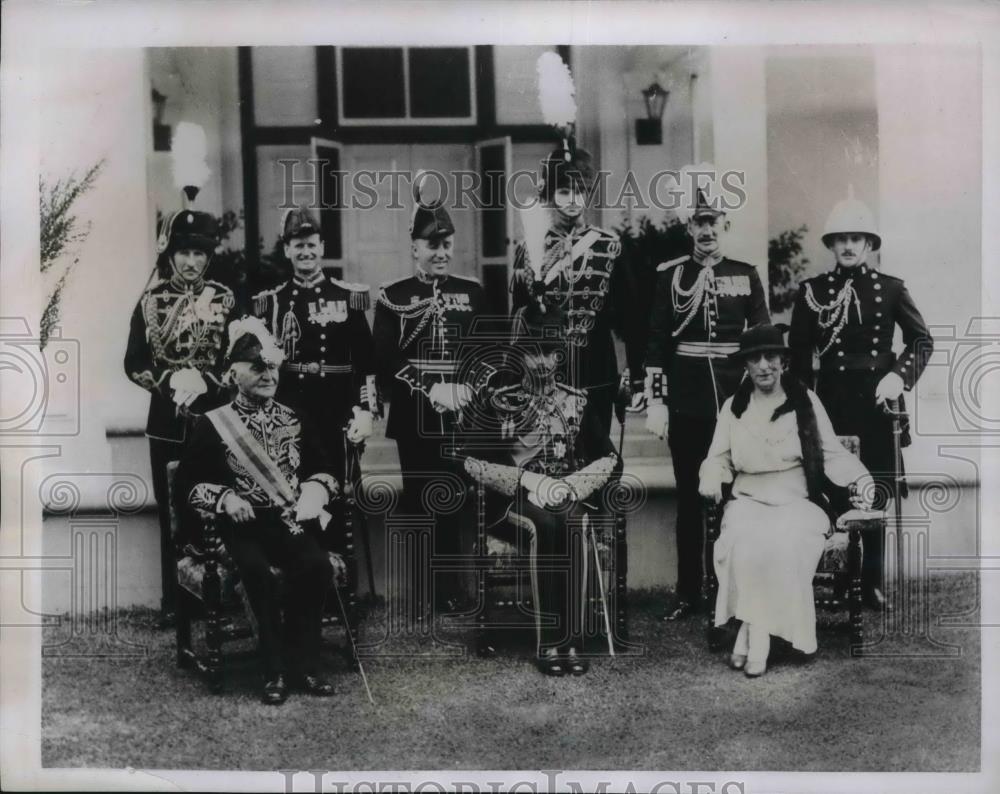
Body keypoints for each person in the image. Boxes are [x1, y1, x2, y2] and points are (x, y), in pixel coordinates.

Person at [178, 318, 340, 704]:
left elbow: (323, 466)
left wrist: (317, 487)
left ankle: (305, 666)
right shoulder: (212, 424)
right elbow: (186, 485)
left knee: (316, 566)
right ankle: (274, 672)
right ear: (234, 374)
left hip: (287, 521)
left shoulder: (294, 417)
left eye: (271, 367)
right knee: (256, 572)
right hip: (239, 526)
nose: (268, 375)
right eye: (257, 367)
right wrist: (225, 499)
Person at [699, 324, 873, 677]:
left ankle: (752, 637)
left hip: (798, 502)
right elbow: (717, 457)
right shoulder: (734, 407)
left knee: (786, 542)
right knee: (746, 544)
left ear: (783, 360)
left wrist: (861, 478)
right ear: (745, 365)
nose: (764, 365)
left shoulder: (804, 401)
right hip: (748, 501)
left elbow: (832, 453)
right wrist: (710, 478)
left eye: (771, 356)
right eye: (755, 359)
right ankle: (759, 635)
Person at [788, 190, 933, 608]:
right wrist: (802, 407)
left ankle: (870, 582)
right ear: (832, 246)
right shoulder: (813, 292)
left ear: (869, 245)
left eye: (857, 238)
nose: (849, 245)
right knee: (834, 487)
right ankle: (838, 576)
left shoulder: (890, 290)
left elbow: (922, 341)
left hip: (878, 405)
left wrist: (898, 378)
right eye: (841, 238)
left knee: (878, 489)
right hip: (830, 405)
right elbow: (799, 357)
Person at [462, 301, 622, 676]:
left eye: (550, 352)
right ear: (521, 355)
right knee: (545, 525)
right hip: (513, 503)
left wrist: (570, 486)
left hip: (565, 495)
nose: (544, 363)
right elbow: (471, 462)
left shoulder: (577, 401)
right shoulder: (500, 402)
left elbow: (608, 459)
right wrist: (528, 480)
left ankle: (573, 641)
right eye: (535, 353)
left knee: (572, 522)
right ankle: (550, 641)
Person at [643, 180, 770, 621]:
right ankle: (687, 593)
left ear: (726, 224)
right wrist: (656, 401)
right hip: (688, 400)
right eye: (699, 222)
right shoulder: (671, 275)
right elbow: (656, 341)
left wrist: (763, 400)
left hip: (738, 401)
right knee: (689, 498)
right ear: (688, 227)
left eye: (713, 221)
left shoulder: (746, 273)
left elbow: (761, 343)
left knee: (739, 495)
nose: (706, 231)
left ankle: (734, 591)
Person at [372, 187, 490, 618]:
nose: (441, 253)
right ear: (414, 248)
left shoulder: (472, 292)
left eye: (447, 245)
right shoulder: (393, 295)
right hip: (415, 413)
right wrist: (429, 388)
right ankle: (425, 592)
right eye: (432, 245)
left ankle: (456, 589)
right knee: (422, 499)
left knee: (456, 499)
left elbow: (486, 351)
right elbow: (386, 358)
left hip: (463, 412)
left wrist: (468, 388)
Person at [124, 209, 236, 625]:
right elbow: (134, 361)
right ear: (171, 255)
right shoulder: (149, 301)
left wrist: (208, 380)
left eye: (199, 254)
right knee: (174, 511)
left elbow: (238, 356)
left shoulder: (226, 298)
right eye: (184, 252)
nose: (191, 262)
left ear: (209, 258)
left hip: (215, 420)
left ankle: (221, 598)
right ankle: (177, 603)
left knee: (218, 503)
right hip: (167, 422)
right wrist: (168, 380)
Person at [251, 207, 377, 487]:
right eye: (298, 246)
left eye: (311, 245)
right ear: (287, 250)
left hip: (339, 409)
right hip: (290, 410)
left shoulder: (347, 296)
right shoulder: (272, 302)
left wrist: (366, 409)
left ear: (322, 247)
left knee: (340, 495)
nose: (305, 252)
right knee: (294, 491)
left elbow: (366, 362)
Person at [510, 144, 630, 435]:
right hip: (548, 366)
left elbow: (626, 319)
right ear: (550, 195)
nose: (573, 200)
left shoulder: (609, 246)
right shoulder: (529, 249)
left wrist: (627, 372)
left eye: (580, 191)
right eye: (564, 192)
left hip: (597, 364)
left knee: (597, 452)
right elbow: (519, 318)